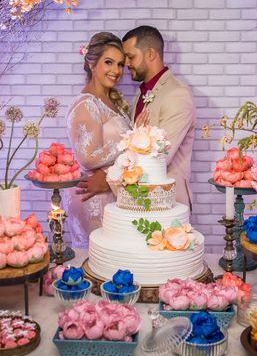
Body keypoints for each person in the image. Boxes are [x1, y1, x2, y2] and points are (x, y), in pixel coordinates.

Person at [76, 26, 196, 208]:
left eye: (130, 58)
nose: (126, 65)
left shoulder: (176, 94)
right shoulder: (140, 94)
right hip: (137, 200)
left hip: (167, 201)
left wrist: (108, 176)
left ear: (150, 54)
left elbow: (160, 156)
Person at [63, 32, 131, 248]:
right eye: (108, 62)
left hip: (108, 192)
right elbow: (88, 157)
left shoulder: (113, 103)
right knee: (94, 265)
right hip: (91, 197)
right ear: (91, 63)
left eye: (120, 65)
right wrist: (132, 145)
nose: (116, 71)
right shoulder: (86, 104)